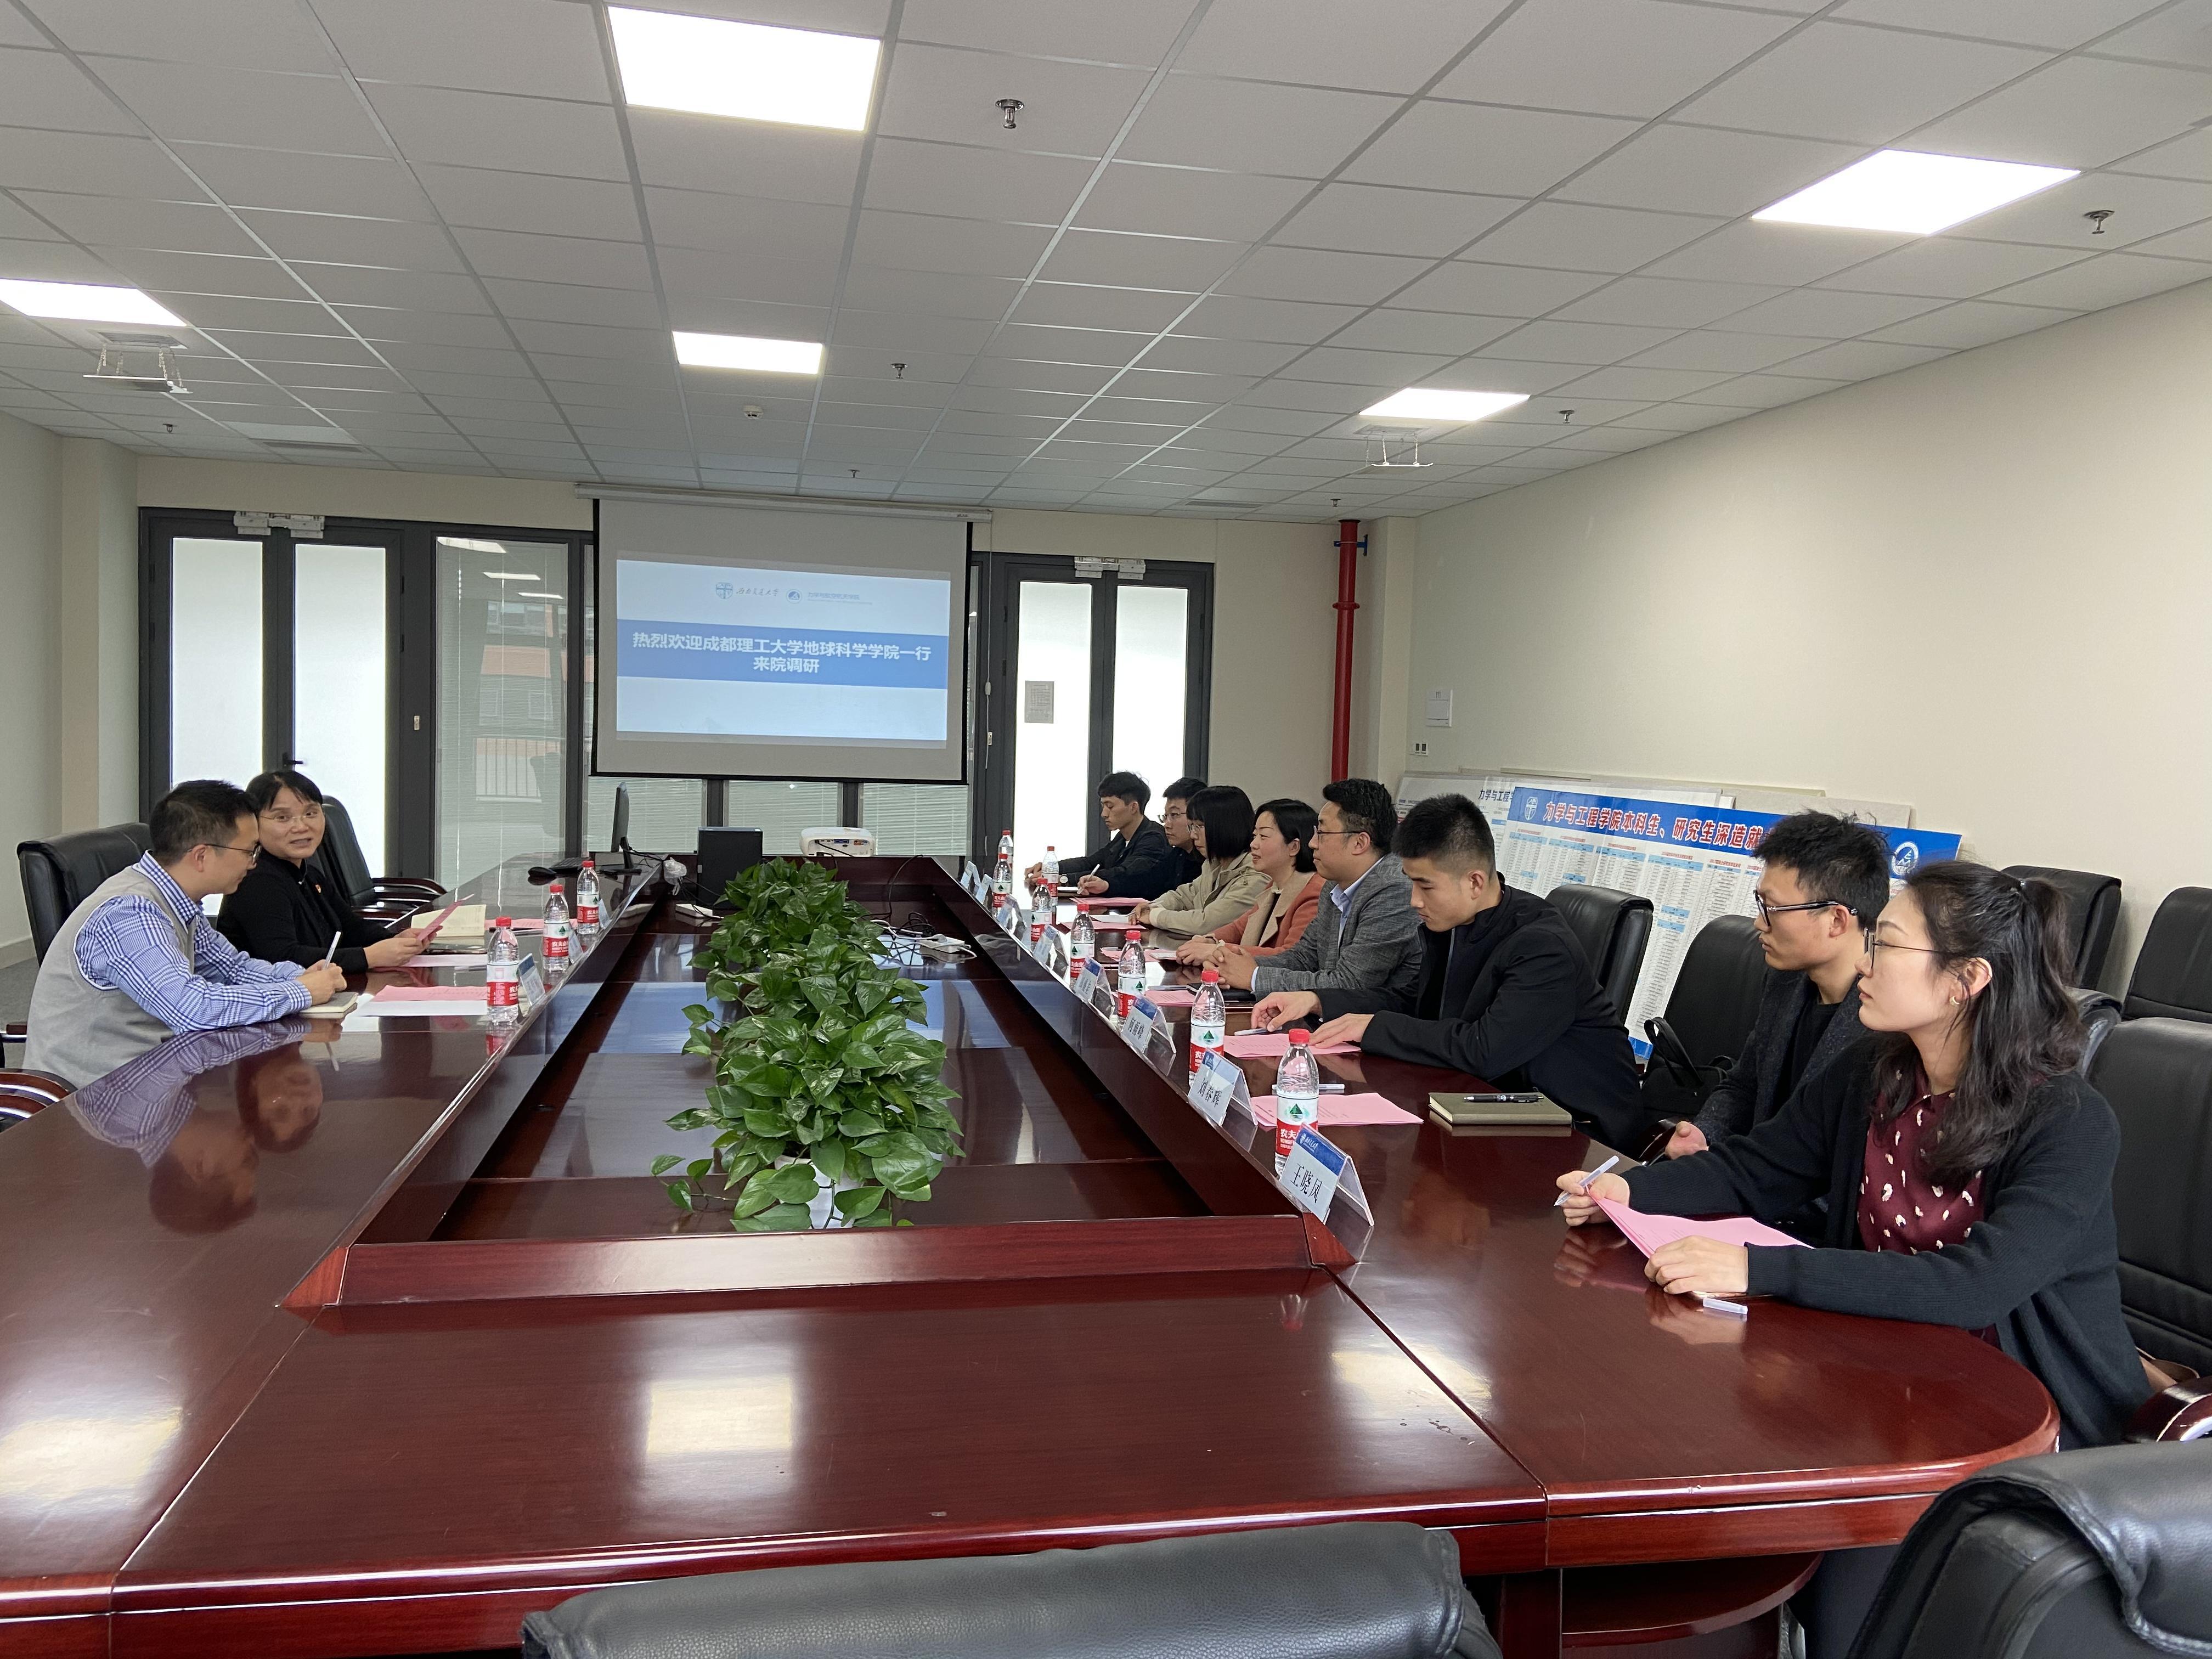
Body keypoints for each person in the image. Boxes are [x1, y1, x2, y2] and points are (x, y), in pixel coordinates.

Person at [1556, 862, 2148, 1654]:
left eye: (1889, 944)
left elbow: (1977, 1287)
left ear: (1966, 980)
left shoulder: (2068, 1121)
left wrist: (1757, 1269)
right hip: (1883, 1379)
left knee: (1844, 1584)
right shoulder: (1876, 1073)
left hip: (2018, 1421)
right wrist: (1633, 1190)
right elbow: (1758, 1169)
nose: (1865, 960)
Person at [1284, 793, 1645, 1148]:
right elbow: (1414, 1003)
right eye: (1411, 882)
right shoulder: (1454, 925)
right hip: (1485, 1106)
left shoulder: (1543, 947)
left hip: (1576, 1130)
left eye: (1425, 886)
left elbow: (1484, 1050)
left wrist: (1374, 1027)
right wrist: (1319, 1001)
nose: (1414, 900)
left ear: (1474, 882)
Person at [24, 780, 347, 1088]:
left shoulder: (178, 901)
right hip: (93, 1100)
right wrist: (300, 992)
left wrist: (299, 976)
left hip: (156, 1078)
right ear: (202, 855)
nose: (253, 864)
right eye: (250, 852)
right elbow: (192, 1008)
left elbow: (230, 969)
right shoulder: (131, 913)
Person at [1664, 811, 1889, 1159]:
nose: (1759, 922)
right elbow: (1746, 1084)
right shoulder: (1786, 979)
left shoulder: (1887, 1019)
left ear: (1836, 920)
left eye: (1772, 908)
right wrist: (1705, 1133)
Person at [219, 769, 427, 974]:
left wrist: (394, 940)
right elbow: (283, 957)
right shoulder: (256, 879)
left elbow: (350, 928)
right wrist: (368, 957)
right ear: (254, 822)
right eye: (282, 817)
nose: (301, 827)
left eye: (311, 814)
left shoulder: (309, 874)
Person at [1234, 777, 1421, 1005]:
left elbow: (1351, 983)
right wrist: (1238, 965)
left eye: (1322, 833)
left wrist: (1254, 977)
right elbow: (1304, 957)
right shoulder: (1334, 886)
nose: (1312, 843)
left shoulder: (1394, 890)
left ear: (1359, 843)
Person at [1176, 798, 1323, 968]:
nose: (1253, 844)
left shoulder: (1314, 892)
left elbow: (1291, 957)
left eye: (1264, 836)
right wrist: (1209, 940)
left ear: (1294, 847)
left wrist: (1218, 951)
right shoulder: (1275, 886)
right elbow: (1239, 928)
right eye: (1255, 836)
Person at [1130, 785, 1271, 940]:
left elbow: (1206, 923)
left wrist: (1156, 916)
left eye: (1200, 826)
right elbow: (1185, 896)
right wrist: (1154, 906)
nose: (1193, 835)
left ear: (1226, 826)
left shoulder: (1255, 876)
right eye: (1191, 826)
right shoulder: (1215, 865)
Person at [1035, 771, 1178, 901]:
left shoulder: (1154, 837)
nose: (1104, 814)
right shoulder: (1122, 838)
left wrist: (1064, 879)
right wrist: (1051, 868)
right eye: (1103, 806)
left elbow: (1125, 873)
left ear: (1133, 807)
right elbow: (1091, 862)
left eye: (1110, 806)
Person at [1161, 776, 1206, 887]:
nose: (1167, 825)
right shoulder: (1176, 854)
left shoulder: (1208, 860)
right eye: (1166, 816)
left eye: (1174, 814)